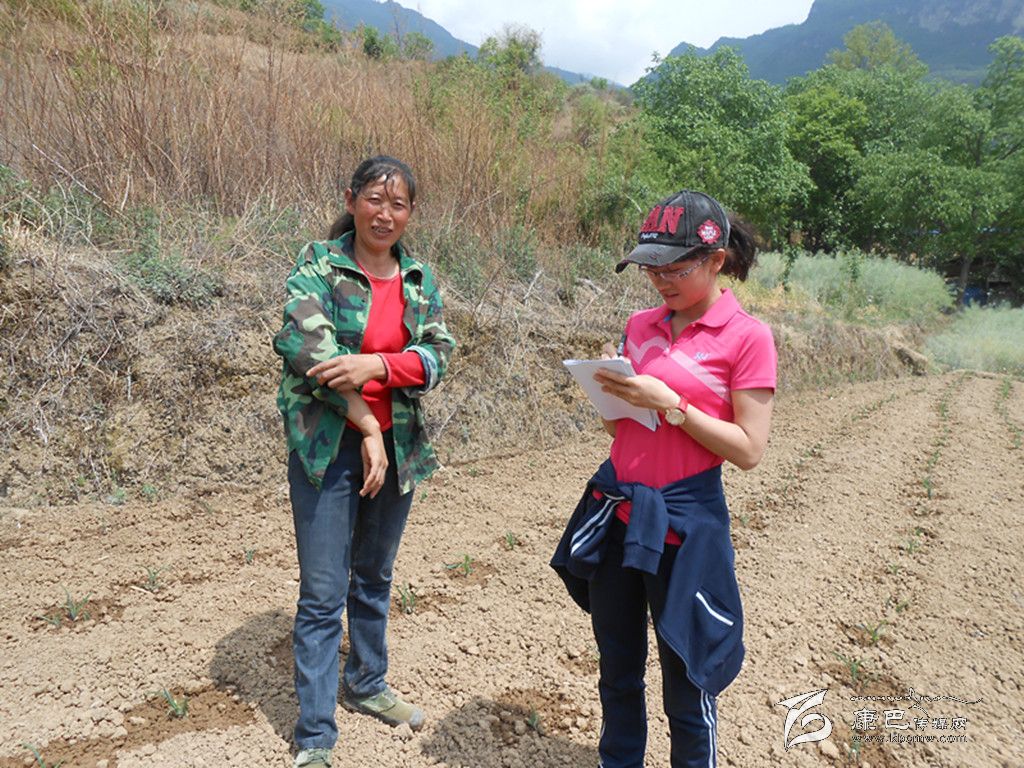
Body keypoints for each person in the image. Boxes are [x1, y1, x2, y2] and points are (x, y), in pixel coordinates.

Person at [551, 190, 777, 768]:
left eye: (675, 269)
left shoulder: (747, 337)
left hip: (685, 524)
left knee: (688, 678)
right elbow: (619, 429)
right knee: (617, 669)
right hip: (621, 515)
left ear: (716, 260)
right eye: (652, 269)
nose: (661, 282)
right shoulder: (640, 324)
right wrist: (609, 390)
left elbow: (749, 450)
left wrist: (673, 404)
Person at [272, 156, 455, 768]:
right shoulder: (319, 265)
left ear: (410, 213)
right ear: (351, 201)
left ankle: (367, 683)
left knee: (374, 576)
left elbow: (437, 356)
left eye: (398, 204)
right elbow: (308, 349)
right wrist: (367, 422)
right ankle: (315, 736)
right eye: (374, 199)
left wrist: (378, 365)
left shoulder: (418, 280)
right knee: (324, 593)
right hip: (329, 447)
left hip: (397, 450)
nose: (385, 214)